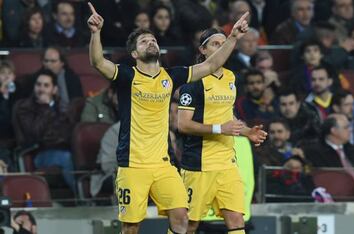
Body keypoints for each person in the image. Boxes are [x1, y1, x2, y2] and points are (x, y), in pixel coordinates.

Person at [87, 3, 249, 234]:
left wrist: (233, 37)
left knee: (182, 217)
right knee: (131, 226)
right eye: (144, 42)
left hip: (163, 164)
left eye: (153, 40)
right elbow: (98, 63)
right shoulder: (127, 75)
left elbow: (212, 63)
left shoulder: (172, 76)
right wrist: (95, 33)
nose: (150, 42)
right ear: (134, 54)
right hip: (133, 164)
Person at [177, 28, 267, 234]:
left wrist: (246, 132)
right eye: (215, 44)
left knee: (236, 220)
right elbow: (183, 125)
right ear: (203, 50)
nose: (221, 47)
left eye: (223, 43)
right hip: (199, 165)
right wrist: (220, 129)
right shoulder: (193, 80)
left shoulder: (230, 78)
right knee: (189, 224)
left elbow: (228, 116)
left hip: (227, 163)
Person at [14, 69, 76, 192]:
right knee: (67, 158)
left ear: (54, 89)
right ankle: (84, 199)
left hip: (64, 147)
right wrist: (45, 108)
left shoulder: (62, 107)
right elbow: (34, 133)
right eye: (38, 85)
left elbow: (67, 132)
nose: (41, 89)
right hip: (40, 152)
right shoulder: (24, 108)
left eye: (46, 85)